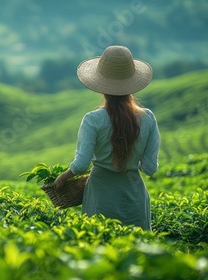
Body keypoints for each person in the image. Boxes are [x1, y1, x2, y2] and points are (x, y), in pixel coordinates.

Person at [54, 45, 160, 230]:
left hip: (101, 196)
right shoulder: (148, 118)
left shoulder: (93, 119)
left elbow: (80, 166)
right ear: (131, 85)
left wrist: (63, 177)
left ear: (101, 85)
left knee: (101, 246)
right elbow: (150, 168)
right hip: (134, 198)